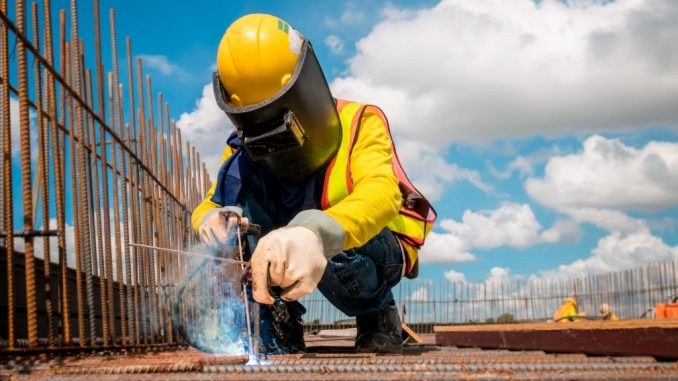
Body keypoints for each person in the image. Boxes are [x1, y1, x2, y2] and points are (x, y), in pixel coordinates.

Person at [191, 14, 435, 354]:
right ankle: (280, 317)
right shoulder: (242, 148)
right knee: (238, 230)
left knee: (336, 245)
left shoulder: (359, 120)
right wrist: (208, 220)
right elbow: (213, 203)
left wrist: (314, 232)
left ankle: (377, 314)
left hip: (371, 246)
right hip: (297, 247)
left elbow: (381, 193)